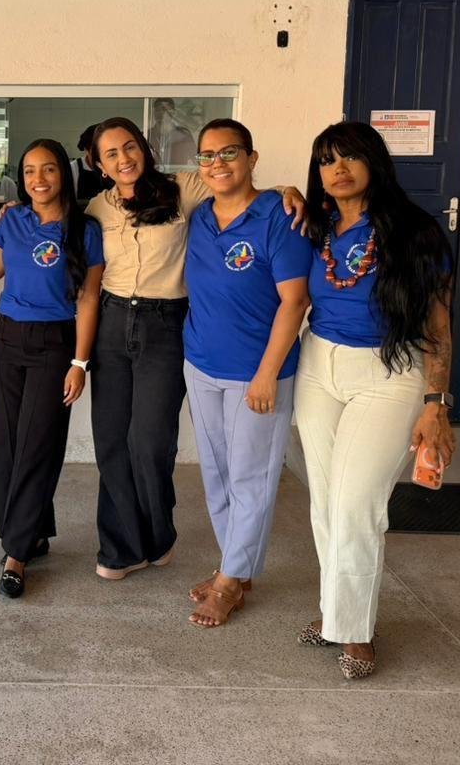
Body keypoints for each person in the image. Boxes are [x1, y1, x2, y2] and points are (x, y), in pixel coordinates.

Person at [84, 117, 304, 582]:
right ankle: (122, 547)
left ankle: (158, 537)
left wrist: (289, 191)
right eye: (111, 154)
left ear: (143, 149)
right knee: (111, 441)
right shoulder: (96, 209)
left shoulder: (182, 190)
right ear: (100, 166)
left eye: (129, 147)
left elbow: (237, 188)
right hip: (113, 320)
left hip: (167, 324)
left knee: (149, 442)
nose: (123, 159)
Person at [294, 120, 455, 680]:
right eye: (325, 161)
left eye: (349, 157)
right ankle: (333, 612)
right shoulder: (314, 227)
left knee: (356, 503)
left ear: (374, 162)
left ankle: (357, 631)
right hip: (318, 367)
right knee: (324, 502)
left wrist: (437, 402)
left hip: (388, 373)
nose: (337, 169)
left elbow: (438, 322)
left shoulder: (415, 233)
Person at [182, 119, 312, 627]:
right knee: (215, 473)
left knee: (251, 476)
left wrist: (266, 374)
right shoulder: (198, 216)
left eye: (229, 152)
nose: (218, 163)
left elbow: (294, 300)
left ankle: (231, 580)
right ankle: (236, 567)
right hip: (202, 364)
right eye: (207, 156)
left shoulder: (279, 218)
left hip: (257, 374)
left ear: (252, 158)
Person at [0, 139, 104, 599]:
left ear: (63, 176)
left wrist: (79, 362)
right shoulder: (12, 220)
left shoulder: (84, 230)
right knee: (10, 443)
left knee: (38, 444)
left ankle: (15, 553)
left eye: (48, 170)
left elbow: (89, 299)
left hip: (55, 343)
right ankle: (34, 531)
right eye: (29, 171)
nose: (38, 180)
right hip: (8, 337)